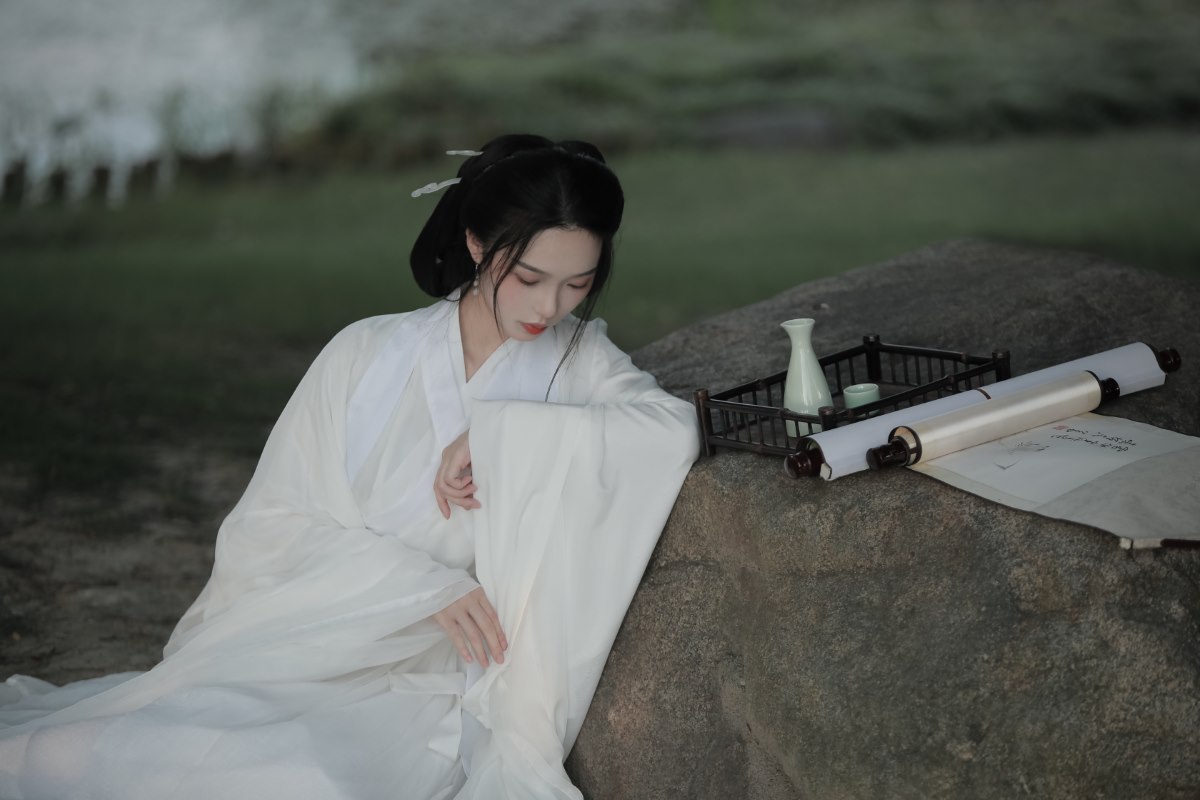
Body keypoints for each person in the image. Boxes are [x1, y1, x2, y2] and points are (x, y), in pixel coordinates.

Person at [0, 133, 699, 799]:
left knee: (296, 779)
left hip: (433, 684)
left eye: (578, 284)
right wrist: (422, 586)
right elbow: (273, 526)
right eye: (529, 278)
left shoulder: (582, 364)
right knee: (71, 756)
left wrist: (501, 435)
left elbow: (670, 428)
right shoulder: (366, 354)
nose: (550, 307)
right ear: (476, 242)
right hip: (315, 636)